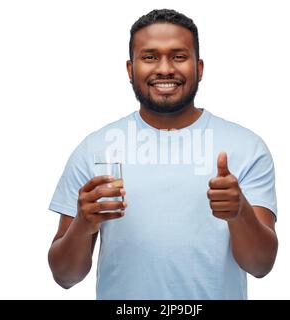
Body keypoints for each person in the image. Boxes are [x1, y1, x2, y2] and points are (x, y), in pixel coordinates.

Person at [48, 9, 278, 300]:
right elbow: (64, 277)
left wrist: (239, 212)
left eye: (179, 56)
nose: (165, 68)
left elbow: (260, 265)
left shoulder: (245, 147)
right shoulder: (95, 149)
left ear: (200, 68)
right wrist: (82, 224)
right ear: (131, 70)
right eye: (150, 57)